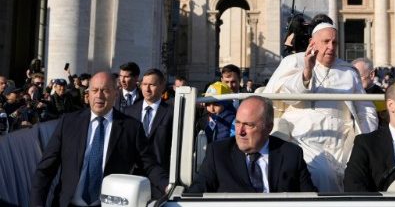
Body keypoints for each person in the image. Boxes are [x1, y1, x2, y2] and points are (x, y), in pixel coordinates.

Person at [263, 22, 377, 191]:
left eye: (334, 42)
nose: (331, 47)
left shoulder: (348, 71)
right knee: (323, 174)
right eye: (326, 42)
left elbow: (364, 108)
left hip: (342, 138)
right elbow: (283, 95)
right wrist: (307, 72)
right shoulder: (294, 62)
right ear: (312, 42)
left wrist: (368, 139)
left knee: (352, 174)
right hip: (306, 136)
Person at [31, 71, 167, 206]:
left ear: (116, 93)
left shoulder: (131, 128)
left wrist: (167, 186)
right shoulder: (68, 123)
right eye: (94, 90)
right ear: (88, 94)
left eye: (105, 90)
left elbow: (149, 165)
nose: (99, 96)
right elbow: (45, 169)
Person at [188, 96, 316, 193]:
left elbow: (310, 199)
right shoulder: (218, 153)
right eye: (238, 123)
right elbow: (196, 194)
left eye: (248, 125)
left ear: (268, 127)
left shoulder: (291, 154)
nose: (240, 132)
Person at [124, 69, 173, 170]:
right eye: (144, 84)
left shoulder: (171, 113)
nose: (147, 89)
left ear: (162, 86)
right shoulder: (129, 112)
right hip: (133, 172)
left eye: (152, 85)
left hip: (160, 172)